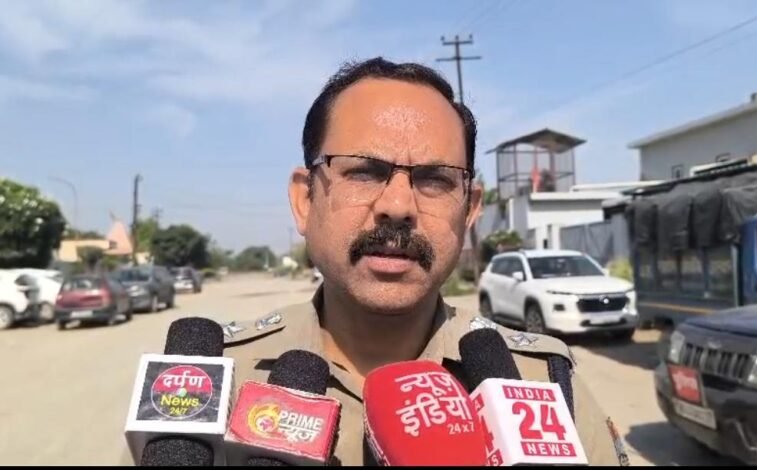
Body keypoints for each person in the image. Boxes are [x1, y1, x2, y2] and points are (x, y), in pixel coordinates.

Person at [208, 57, 626, 466]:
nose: (397, 206)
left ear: (469, 210)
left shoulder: (543, 384)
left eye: (434, 178)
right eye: (364, 172)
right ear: (304, 200)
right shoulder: (212, 383)